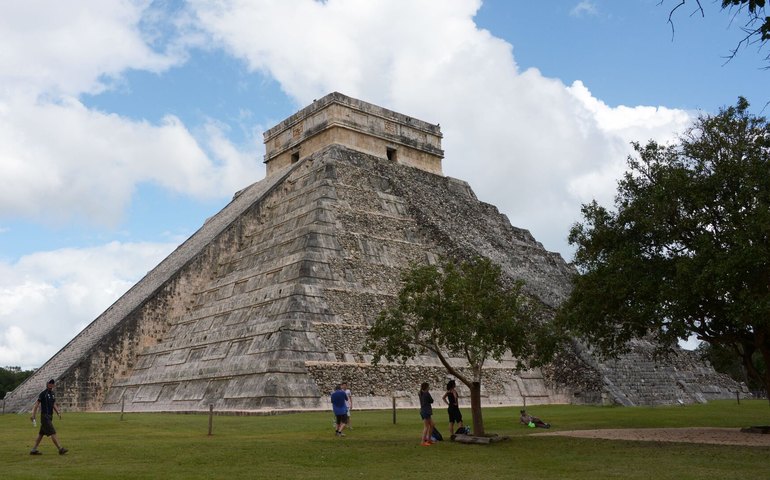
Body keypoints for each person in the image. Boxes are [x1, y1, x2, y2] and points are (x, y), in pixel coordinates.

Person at [30, 379, 68, 455]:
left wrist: (58, 412)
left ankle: (33, 450)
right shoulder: (43, 394)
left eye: (52, 383)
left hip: (50, 416)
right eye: (50, 383)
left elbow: (53, 404)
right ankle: (60, 449)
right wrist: (33, 415)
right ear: (47, 384)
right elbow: (36, 404)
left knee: (41, 434)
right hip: (45, 416)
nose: (51, 384)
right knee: (52, 432)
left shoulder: (52, 394)